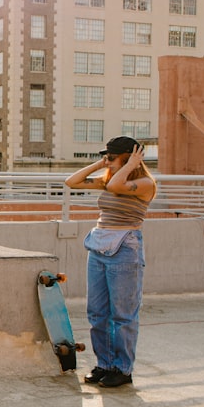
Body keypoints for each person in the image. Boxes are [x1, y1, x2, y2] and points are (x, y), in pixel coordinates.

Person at [65, 136, 156, 388]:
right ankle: (104, 364)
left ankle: (122, 369)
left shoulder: (145, 183)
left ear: (129, 157)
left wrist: (127, 166)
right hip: (99, 246)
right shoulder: (109, 178)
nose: (109, 161)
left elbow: (117, 186)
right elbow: (71, 182)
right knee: (97, 311)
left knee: (123, 314)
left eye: (113, 157)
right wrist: (99, 165)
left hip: (125, 247)